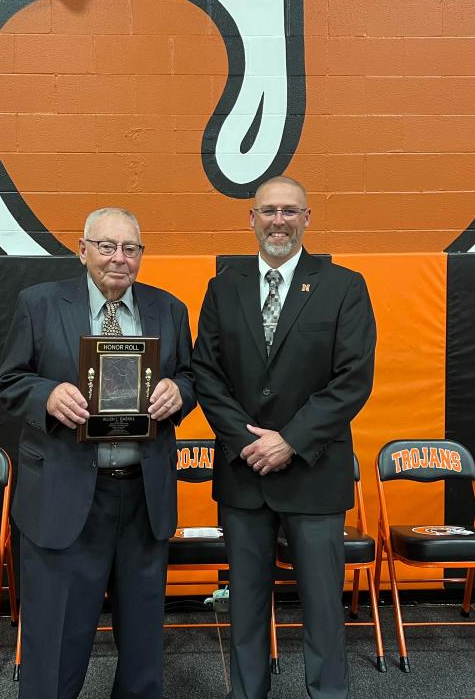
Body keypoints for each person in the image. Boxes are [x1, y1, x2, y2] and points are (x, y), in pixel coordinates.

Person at [0, 207, 196, 699]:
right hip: (63, 493)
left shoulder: (169, 309)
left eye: (131, 248)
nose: (119, 259)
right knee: (55, 642)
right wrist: (47, 396)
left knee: (144, 641)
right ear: (81, 249)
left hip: (143, 498)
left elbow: (190, 378)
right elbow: (9, 382)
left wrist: (178, 393)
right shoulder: (39, 304)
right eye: (107, 246)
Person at [192, 176, 376, 699]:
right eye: (268, 210)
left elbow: (353, 379)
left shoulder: (345, 286)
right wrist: (250, 442)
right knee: (245, 605)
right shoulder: (222, 286)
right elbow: (206, 373)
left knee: (322, 607)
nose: (279, 220)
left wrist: (289, 440)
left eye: (290, 211)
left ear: (307, 218)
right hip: (243, 473)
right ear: (251, 219)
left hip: (314, 474)